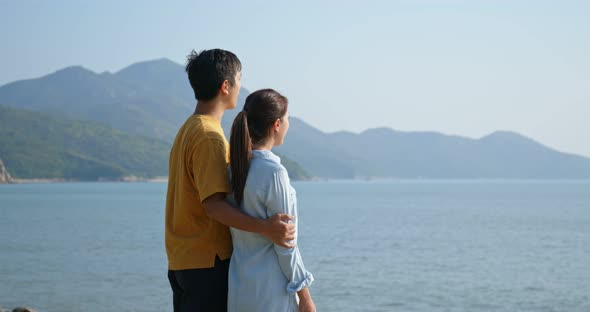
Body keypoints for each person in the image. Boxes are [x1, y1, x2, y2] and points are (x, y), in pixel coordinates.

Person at [165, 49, 296, 312]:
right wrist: (265, 227)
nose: (240, 86)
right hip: (207, 262)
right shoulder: (209, 136)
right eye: (239, 79)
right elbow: (213, 205)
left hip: (183, 259)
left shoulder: (189, 128)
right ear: (226, 86)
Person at [228, 89, 316, 312]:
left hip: (240, 288)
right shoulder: (274, 173)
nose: (288, 124)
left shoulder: (234, 168)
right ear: (277, 124)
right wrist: (305, 297)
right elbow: (285, 244)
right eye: (287, 119)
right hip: (271, 292)